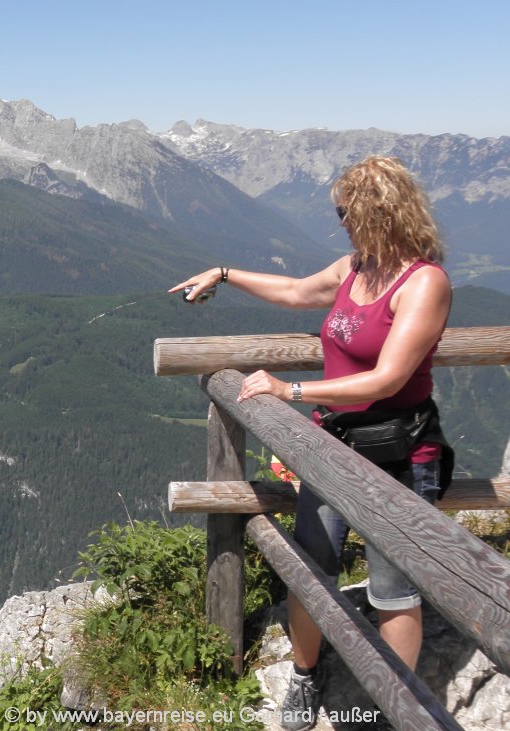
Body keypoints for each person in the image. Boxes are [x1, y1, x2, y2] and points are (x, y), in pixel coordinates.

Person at [169, 155, 453, 731]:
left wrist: (289, 388)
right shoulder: (358, 267)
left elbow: (387, 379)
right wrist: (225, 274)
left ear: (378, 211)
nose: (340, 223)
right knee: (310, 566)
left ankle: (390, 705)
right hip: (335, 446)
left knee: (394, 588)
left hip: (399, 454)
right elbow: (298, 292)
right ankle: (306, 676)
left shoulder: (424, 283)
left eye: (345, 213)